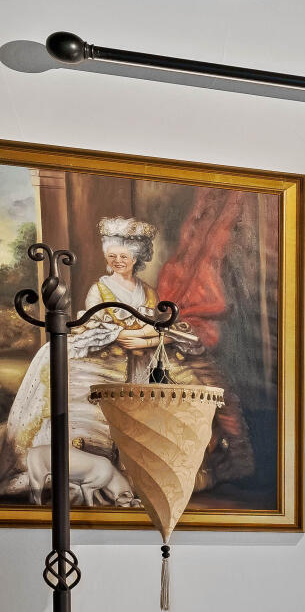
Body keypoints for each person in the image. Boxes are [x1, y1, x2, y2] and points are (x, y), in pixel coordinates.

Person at [5, 215, 206, 507]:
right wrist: (132, 337)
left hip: (141, 356)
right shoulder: (99, 290)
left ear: (136, 258)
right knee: (85, 398)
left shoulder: (147, 291)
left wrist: (145, 340)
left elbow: (152, 325)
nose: (117, 261)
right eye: (112, 256)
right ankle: (83, 467)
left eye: (124, 256)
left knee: (182, 385)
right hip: (106, 353)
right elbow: (108, 330)